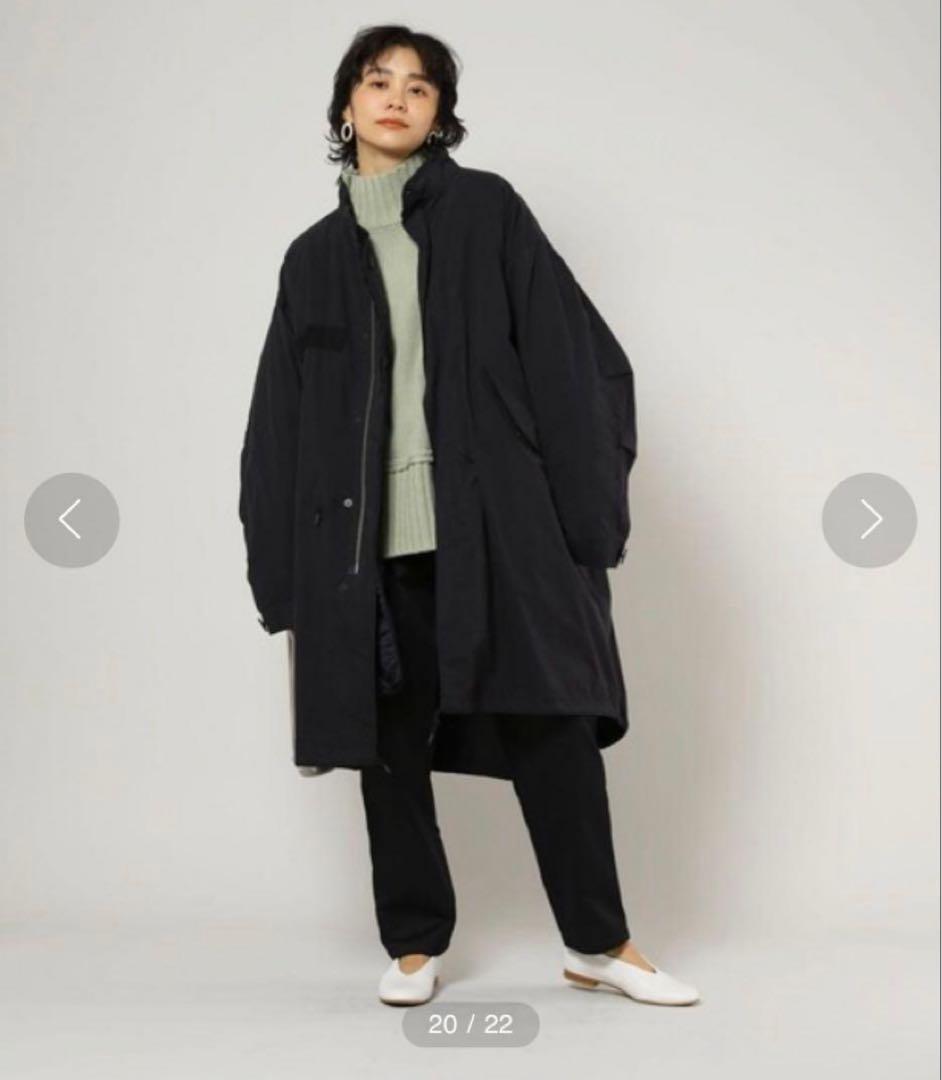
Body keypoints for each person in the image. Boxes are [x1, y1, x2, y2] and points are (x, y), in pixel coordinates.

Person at [239, 24, 701, 1008]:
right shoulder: (310, 261)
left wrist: (586, 524)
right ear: (347, 106)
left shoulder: (488, 212)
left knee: (551, 726)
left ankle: (600, 942)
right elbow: (276, 426)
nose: (397, 98)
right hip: (366, 548)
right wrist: (282, 581)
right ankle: (414, 944)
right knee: (387, 747)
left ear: (441, 114)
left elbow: (576, 362)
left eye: (420, 87)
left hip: (499, 532)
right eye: (378, 82)